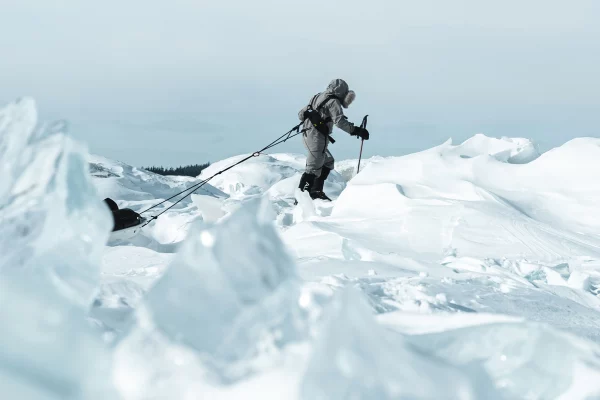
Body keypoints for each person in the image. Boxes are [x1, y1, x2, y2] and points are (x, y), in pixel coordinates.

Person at [297, 79, 369, 200]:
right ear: (342, 93)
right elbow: (340, 122)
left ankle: (316, 191)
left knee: (328, 161)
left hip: (308, 134)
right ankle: (301, 199)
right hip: (316, 138)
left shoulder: (317, 97)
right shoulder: (333, 101)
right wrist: (357, 130)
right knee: (313, 167)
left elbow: (300, 114)